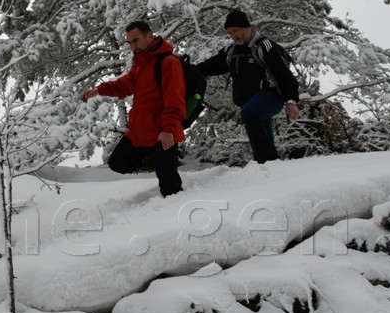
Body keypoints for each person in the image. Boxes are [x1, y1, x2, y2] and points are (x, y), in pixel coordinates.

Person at [81, 20, 186, 197]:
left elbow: (175, 100)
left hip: (162, 133)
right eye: (129, 42)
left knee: (171, 189)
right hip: (141, 131)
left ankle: (176, 218)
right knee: (118, 163)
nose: (132, 46)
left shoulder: (168, 62)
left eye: (135, 40)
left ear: (149, 36)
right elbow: (124, 85)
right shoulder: (141, 64)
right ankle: (159, 160)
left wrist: (168, 130)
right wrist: (99, 90)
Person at [195, 10, 300, 164]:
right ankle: (272, 165)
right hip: (251, 100)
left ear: (246, 27)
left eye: (235, 31)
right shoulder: (231, 51)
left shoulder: (265, 46)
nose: (233, 36)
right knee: (261, 128)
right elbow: (210, 66)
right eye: (229, 33)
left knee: (250, 113)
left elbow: (284, 74)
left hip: (271, 95)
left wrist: (291, 101)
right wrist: (185, 70)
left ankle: (262, 163)